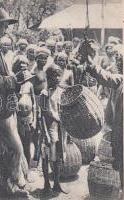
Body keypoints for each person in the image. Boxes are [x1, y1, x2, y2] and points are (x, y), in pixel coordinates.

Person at [0, 7, 28, 197]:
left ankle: (6, 186)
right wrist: (16, 78)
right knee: (14, 147)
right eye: (2, 25)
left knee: (8, 150)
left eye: (6, 26)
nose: (5, 30)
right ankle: (12, 181)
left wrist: (12, 77)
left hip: (4, 106)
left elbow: (3, 75)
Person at [86, 55, 124, 193]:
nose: (118, 65)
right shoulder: (120, 81)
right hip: (120, 132)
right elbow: (103, 76)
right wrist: (89, 61)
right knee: (120, 163)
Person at [41, 64, 69, 196]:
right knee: (46, 156)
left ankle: (57, 183)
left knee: (58, 157)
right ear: (48, 77)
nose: (57, 78)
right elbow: (42, 113)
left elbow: (63, 110)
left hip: (60, 129)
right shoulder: (44, 93)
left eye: (59, 75)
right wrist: (45, 133)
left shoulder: (61, 91)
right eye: (54, 75)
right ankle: (46, 184)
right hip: (48, 128)